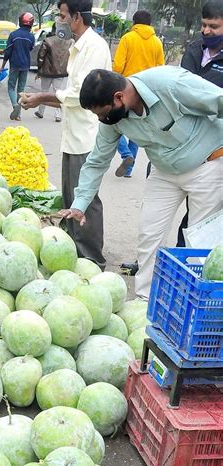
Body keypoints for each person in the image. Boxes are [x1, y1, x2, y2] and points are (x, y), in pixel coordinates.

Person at [60, 67, 223, 299]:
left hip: (206, 165)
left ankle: (200, 303)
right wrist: (80, 203)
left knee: (199, 241)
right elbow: (97, 161)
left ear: (119, 97)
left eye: (103, 114)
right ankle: (145, 301)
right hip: (164, 170)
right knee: (150, 234)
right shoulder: (112, 119)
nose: (101, 120)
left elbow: (219, 100)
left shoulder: (170, 84)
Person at [20, 0, 111, 269]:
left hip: (86, 135)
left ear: (77, 18)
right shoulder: (77, 45)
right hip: (73, 135)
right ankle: (74, 250)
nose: (60, 21)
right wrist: (43, 99)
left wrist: (42, 98)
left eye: (62, 16)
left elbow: (79, 95)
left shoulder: (94, 47)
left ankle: (92, 259)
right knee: (72, 196)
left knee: (87, 198)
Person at [178, 0, 223, 246]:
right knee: (191, 213)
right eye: (204, 25)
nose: (206, 31)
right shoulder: (194, 50)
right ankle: (177, 260)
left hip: (216, 148)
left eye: (214, 26)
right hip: (186, 144)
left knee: (204, 218)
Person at [113, 10, 164, 177]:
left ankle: (126, 154)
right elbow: (160, 68)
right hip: (146, 92)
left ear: (134, 23)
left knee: (113, 124)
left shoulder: (128, 38)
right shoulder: (157, 42)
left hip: (126, 88)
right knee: (137, 128)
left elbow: (118, 66)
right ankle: (128, 170)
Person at [35, 20, 73, 122]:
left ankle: (41, 112)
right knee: (59, 93)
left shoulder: (47, 41)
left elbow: (41, 57)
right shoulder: (69, 42)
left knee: (44, 92)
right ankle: (58, 115)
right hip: (61, 73)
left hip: (47, 72)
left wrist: (39, 70)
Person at [0, 12, 35, 121]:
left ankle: (15, 105)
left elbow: (8, 52)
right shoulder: (31, 37)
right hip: (25, 66)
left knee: (11, 87)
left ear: (20, 22)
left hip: (14, 65)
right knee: (21, 89)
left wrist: (2, 66)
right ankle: (18, 115)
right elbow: (30, 49)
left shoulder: (13, 35)